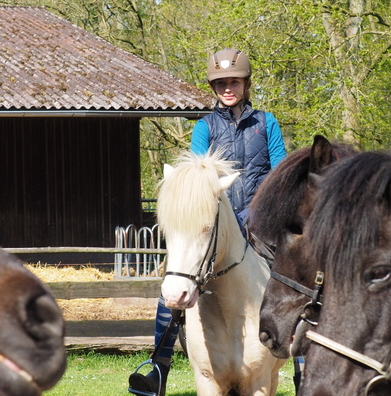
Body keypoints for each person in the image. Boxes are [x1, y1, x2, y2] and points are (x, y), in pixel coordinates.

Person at [129, 48, 303, 395]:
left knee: (297, 278)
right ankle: (157, 368)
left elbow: (280, 173)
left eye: (234, 82)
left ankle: (303, 365)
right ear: (214, 87)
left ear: (245, 84)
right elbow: (195, 176)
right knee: (176, 285)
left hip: (260, 220)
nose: (228, 88)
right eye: (221, 83)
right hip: (216, 221)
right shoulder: (204, 126)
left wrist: (257, 210)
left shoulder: (265, 123)